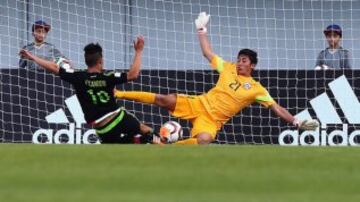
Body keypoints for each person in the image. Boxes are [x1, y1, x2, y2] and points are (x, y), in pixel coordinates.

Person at [113, 12, 319, 145]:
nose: (239, 63)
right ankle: (119, 93)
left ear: (252, 65)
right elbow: (208, 53)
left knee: (203, 140)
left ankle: (167, 148)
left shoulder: (257, 89)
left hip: (212, 120)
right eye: (239, 59)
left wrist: (296, 121)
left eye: (244, 60)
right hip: (199, 103)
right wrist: (201, 30)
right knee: (164, 99)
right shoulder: (227, 68)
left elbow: (276, 108)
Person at [19, 36, 160, 144]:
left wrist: (32, 56)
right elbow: (133, 74)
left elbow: (55, 68)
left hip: (102, 129)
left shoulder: (78, 77)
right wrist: (139, 51)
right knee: (145, 131)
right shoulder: (108, 77)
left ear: (87, 61)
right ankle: (162, 143)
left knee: (123, 145)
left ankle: (138, 140)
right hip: (118, 118)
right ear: (100, 61)